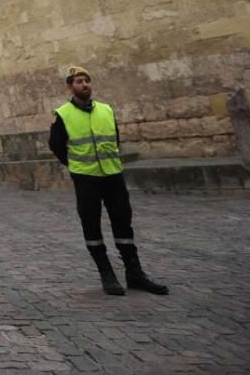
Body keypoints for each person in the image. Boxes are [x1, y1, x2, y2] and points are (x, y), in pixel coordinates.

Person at [48, 66, 169, 296]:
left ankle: (135, 273)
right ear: (70, 86)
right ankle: (107, 274)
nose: (84, 85)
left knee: (123, 223)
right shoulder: (63, 114)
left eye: (87, 80)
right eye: (79, 81)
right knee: (91, 224)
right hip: (86, 177)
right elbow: (55, 145)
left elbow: (115, 138)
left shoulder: (106, 110)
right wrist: (74, 164)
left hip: (112, 174)